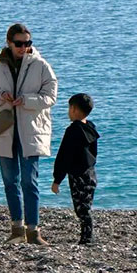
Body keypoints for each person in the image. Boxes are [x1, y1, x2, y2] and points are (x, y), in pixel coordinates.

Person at [0, 23, 57, 245]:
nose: (23, 47)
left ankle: (33, 230)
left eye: (27, 43)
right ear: (9, 43)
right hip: (5, 130)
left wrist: (26, 100)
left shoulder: (41, 65)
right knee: (9, 181)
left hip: (31, 130)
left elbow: (51, 96)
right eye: (19, 43)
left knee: (29, 181)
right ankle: (17, 229)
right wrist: (0, 96)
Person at [51, 93, 100, 245]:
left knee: (81, 208)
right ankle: (87, 235)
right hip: (90, 172)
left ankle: (87, 237)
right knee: (86, 205)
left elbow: (64, 156)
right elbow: (94, 152)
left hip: (77, 174)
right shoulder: (90, 127)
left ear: (73, 109)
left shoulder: (72, 130)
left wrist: (57, 179)